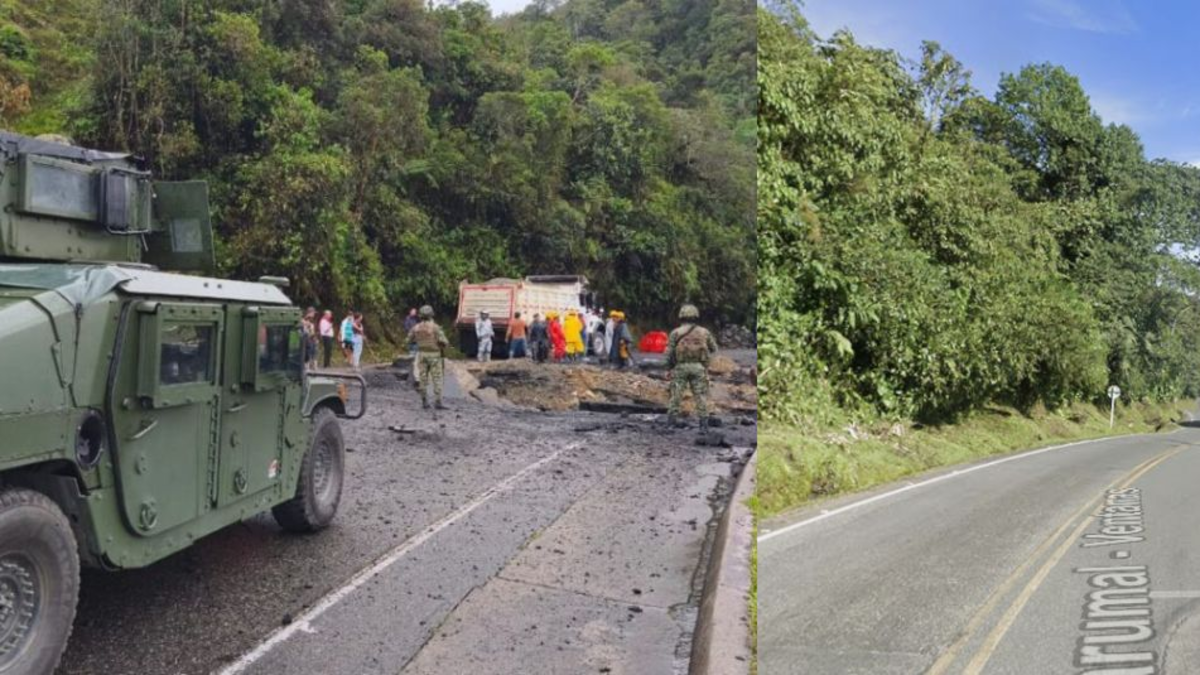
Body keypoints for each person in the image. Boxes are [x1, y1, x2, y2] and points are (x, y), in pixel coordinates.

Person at [666, 304, 719, 428]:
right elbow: (714, 348)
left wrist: (668, 368)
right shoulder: (704, 332)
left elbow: (669, 353)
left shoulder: (676, 332)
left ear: (681, 316)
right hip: (699, 367)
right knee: (700, 396)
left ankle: (671, 423)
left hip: (680, 367)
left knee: (676, 396)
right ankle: (704, 424)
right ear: (696, 315)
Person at [408, 305, 449, 409]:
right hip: (435, 355)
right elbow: (444, 342)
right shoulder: (435, 327)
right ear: (431, 315)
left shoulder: (416, 327)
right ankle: (438, 402)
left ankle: (424, 402)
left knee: (423, 378)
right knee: (437, 379)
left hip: (422, 355)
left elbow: (409, 340)